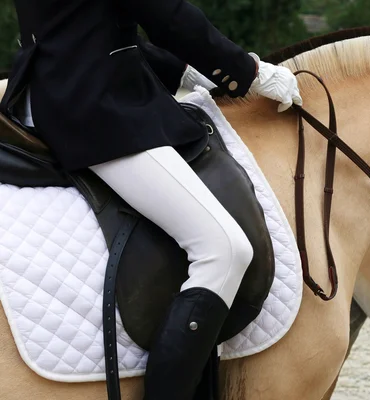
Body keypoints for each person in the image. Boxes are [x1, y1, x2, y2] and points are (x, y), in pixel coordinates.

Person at [0, 0, 302, 398]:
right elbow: (165, 12)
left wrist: (182, 69)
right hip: (97, 108)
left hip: (54, 88)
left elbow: (87, 24)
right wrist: (248, 72)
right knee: (224, 249)